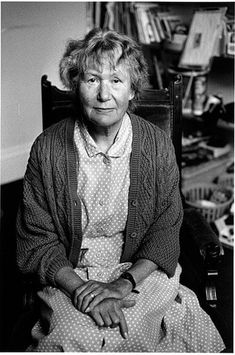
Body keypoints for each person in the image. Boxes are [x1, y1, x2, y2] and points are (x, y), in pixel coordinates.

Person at [16, 28, 225, 352]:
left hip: (138, 268)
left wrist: (122, 284)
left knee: (138, 331)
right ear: (76, 86)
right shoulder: (48, 148)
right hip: (70, 271)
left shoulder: (156, 145)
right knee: (72, 335)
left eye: (116, 80)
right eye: (92, 80)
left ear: (132, 90)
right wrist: (80, 290)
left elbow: (166, 227)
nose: (104, 94)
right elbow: (36, 237)